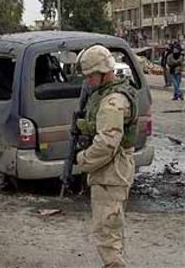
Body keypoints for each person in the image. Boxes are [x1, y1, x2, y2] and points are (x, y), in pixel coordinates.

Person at [75, 45, 139, 267]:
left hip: (111, 173)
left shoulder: (113, 102)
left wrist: (82, 160)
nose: (88, 81)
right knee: (112, 230)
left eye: (91, 76)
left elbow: (106, 144)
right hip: (112, 172)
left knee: (106, 233)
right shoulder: (109, 94)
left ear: (104, 72)